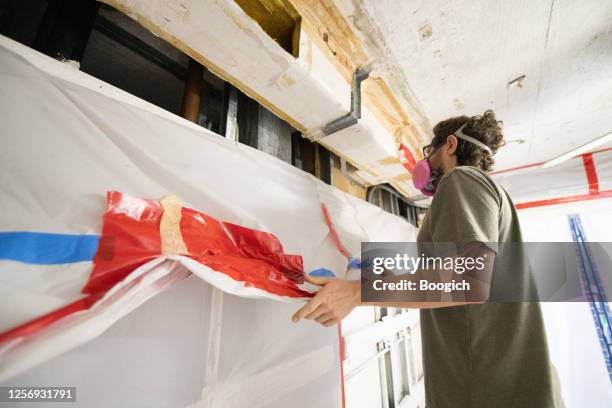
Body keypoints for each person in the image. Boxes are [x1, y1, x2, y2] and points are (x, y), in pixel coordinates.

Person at [292, 110, 564, 408]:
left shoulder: (461, 178)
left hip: (491, 392)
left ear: (449, 145)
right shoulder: (485, 194)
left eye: (429, 151)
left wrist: (357, 293)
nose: (427, 161)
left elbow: (469, 278)